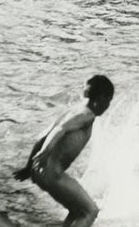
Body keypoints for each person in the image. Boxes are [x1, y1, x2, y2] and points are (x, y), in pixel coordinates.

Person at [14, 75, 114, 227]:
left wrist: (29, 167)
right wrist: (46, 152)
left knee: (76, 210)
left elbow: (42, 136)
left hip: (40, 171)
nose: (108, 106)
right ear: (101, 98)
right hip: (52, 173)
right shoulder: (87, 114)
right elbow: (60, 130)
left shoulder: (74, 110)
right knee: (90, 211)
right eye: (109, 101)